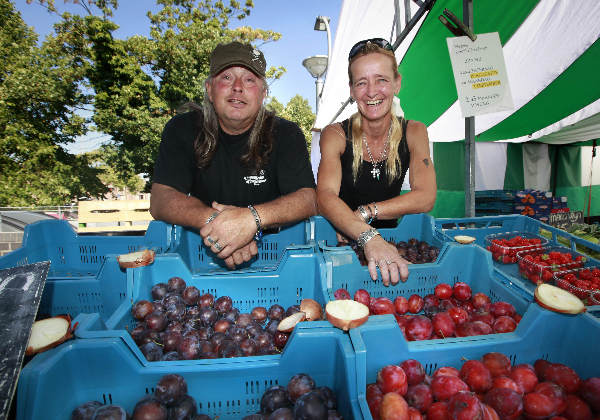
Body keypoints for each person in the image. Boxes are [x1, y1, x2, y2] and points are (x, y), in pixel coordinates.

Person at [150, 41, 317, 269]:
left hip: (276, 259)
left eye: (249, 79)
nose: (238, 87)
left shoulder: (286, 133)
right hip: (204, 256)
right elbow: (161, 199)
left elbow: (308, 198)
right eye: (227, 77)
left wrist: (251, 219)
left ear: (263, 93)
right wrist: (222, 227)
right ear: (209, 88)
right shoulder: (182, 129)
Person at [316, 38, 436, 286]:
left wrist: (366, 212)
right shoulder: (335, 134)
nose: (372, 92)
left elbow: (426, 196)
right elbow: (325, 196)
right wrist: (367, 236)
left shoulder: (414, 131)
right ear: (352, 90)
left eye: (381, 79)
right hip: (341, 242)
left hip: (391, 241)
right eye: (362, 83)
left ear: (397, 83)